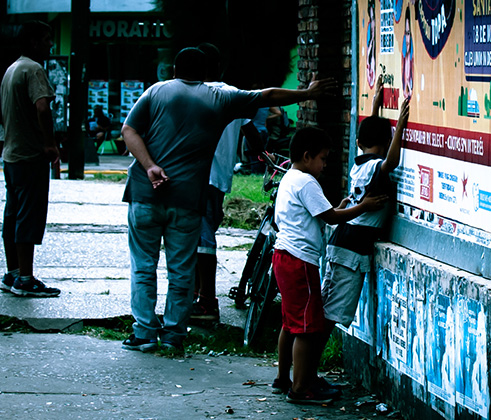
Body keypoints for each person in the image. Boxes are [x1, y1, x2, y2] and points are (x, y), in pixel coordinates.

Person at [120, 46, 336, 353]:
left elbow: (129, 130)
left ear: (174, 71)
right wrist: (308, 93)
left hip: (145, 194)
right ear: (207, 73)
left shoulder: (156, 92)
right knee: (181, 270)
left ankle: (143, 333)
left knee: (143, 266)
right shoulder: (219, 98)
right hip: (188, 200)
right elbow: (267, 96)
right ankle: (173, 335)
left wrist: (150, 166)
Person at [272, 127, 388, 404]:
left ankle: (283, 379)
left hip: (284, 256)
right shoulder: (306, 182)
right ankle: (300, 389)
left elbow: (323, 212)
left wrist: (342, 206)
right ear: (307, 156)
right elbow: (332, 218)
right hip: (300, 261)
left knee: (290, 324)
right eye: (322, 159)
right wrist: (364, 206)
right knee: (307, 327)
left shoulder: (290, 177)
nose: (325, 165)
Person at [319, 75, 409, 366]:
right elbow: (390, 162)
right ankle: (308, 371)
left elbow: (371, 142)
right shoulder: (376, 167)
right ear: (387, 142)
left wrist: (375, 107)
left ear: (359, 143)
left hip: (342, 240)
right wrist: (401, 124)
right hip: (353, 248)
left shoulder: (359, 164)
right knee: (331, 315)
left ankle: (306, 371)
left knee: (327, 307)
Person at [192, 43, 265, 322]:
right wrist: (264, 155)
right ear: (219, 66)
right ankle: (196, 295)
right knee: (202, 234)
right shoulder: (232, 94)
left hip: (199, 176)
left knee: (201, 239)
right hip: (219, 179)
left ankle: (207, 302)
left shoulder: (195, 94)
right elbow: (251, 132)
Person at [0, 20, 60, 297]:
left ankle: (12, 273)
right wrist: (49, 144)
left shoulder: (12, 69)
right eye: (47, 39)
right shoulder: (33, 69)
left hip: (12, 154)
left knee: (12, 214)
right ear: (34, 42)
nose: (51, 44)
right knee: (28, 216)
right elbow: (42, 108)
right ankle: (26, 279)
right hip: (30, 154)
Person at [401, 6, 414, 99]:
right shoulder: (404, 60)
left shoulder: (412, 61)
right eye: (406, 33)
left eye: (408, 33)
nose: (407, 39)